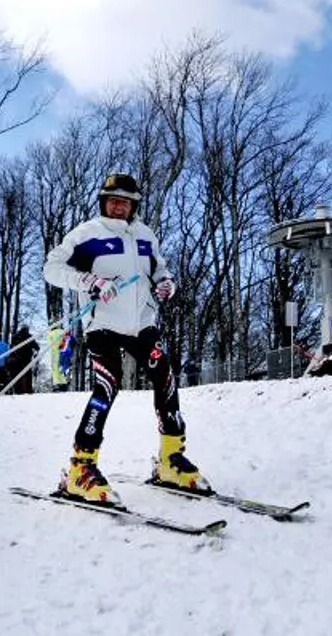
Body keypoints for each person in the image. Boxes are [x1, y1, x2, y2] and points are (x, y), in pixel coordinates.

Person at [43, 172, 209, 505]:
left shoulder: (146, 235)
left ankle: (171, 460)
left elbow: (159, 269)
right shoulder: (86, 233)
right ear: (103, 202)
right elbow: (52, 267)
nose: (119, 208)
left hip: (142, 322)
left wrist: (166, 283)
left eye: (126, 203)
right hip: (102, 323)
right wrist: (90, 281)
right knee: (108, 385)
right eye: (113, 201)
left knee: (166, 376)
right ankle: (81, 467)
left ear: (134, 206)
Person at [8, 324, 39, 394]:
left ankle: (18, 390)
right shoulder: (29, 336)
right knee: (27, 374)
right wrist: (36, 350)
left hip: (16, 358)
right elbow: (36, 347)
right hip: (26, 359)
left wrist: (11, 356)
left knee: (17, 374)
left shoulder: (14, 336)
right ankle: (28, 390)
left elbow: (11, 347)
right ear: (27, 329)